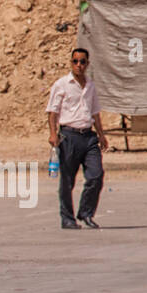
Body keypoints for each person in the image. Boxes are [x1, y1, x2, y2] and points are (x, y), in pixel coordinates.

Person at [47, 47, 108, 229]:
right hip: (69, 136)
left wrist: (101, 135)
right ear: (71, 63)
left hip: (88, 137)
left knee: (96, 175)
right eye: (75, 61)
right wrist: (52, 133)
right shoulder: (62, 84)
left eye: (82, 62)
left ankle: (86, 213)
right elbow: (52, 112)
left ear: (87, 64)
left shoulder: (91, 85)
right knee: (67, 181)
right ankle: (67, 218)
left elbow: (95, 113)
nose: (79, 65)